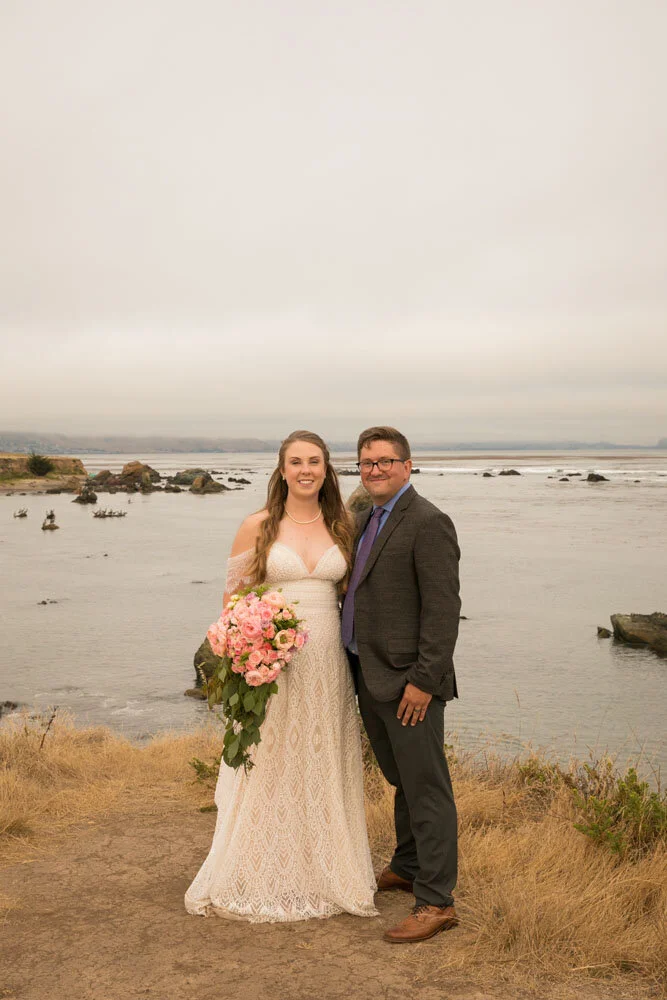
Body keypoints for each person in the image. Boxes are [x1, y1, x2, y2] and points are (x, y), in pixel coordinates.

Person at [185, 430, 378, 923]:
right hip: (274, 663)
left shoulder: (343, 524)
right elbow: (233, 603)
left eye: (314, 461)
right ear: (282, 469)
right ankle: (263, 866)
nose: (306, 470)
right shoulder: (258, 525)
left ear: (327, 469)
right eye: (296, 462)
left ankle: (323, 869)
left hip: (328, 662)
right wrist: (252, 652)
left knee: (320, 758)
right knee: (272, 759)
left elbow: (352, 598)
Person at [342, 426, 461, 944]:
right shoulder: (366, 517)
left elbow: (443, 611)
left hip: (410, 682)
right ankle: (408, 864)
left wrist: (423, 682)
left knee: (427, 788)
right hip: (369, 673)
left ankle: (436, 902)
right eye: (367, 462)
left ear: (408, 466)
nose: (375, 470)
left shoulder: (429, 522)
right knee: (401, 778)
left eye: (386, 462)